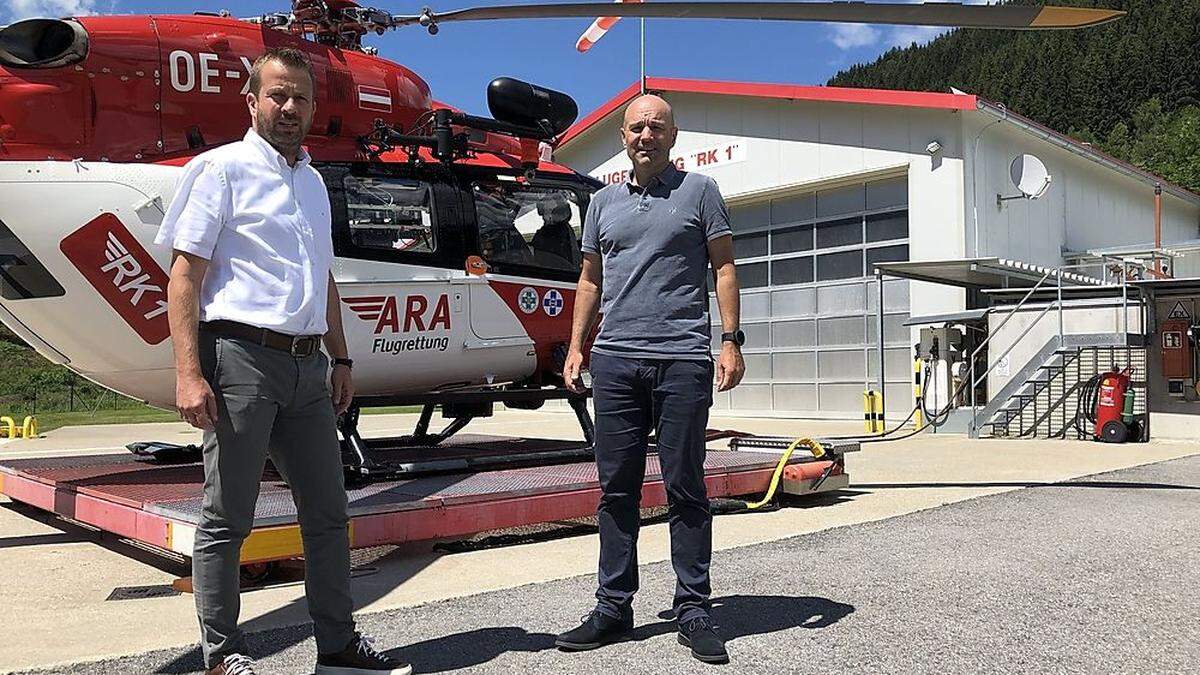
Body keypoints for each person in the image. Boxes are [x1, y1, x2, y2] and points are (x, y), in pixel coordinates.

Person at [157, 47, 409, 675]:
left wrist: (341, 358)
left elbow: (322, 279)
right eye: (277, 95)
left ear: (314, 107)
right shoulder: (220, 170)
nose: (289, 106)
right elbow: (184, 278)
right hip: (241, 356)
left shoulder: (313, 182)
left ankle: (338, 646)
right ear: (252, 101)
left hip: (308, 367)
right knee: (228, 516)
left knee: (328, 513)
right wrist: (188, 374)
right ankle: (222, 653)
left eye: (300, 97)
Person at [555, 94, 745, 664]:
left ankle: (693, 606)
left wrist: (730, 340)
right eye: (637, 126)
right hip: (615, 361)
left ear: (673, 135)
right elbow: (589, 280)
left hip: (683, 359)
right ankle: (614, 606)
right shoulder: (602, 203)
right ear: (623, 135)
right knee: (616, 490)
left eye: (657, 127)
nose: (646, 135)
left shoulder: (700, 193)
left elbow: (725, 267)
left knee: (686, 485)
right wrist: (575, 346)